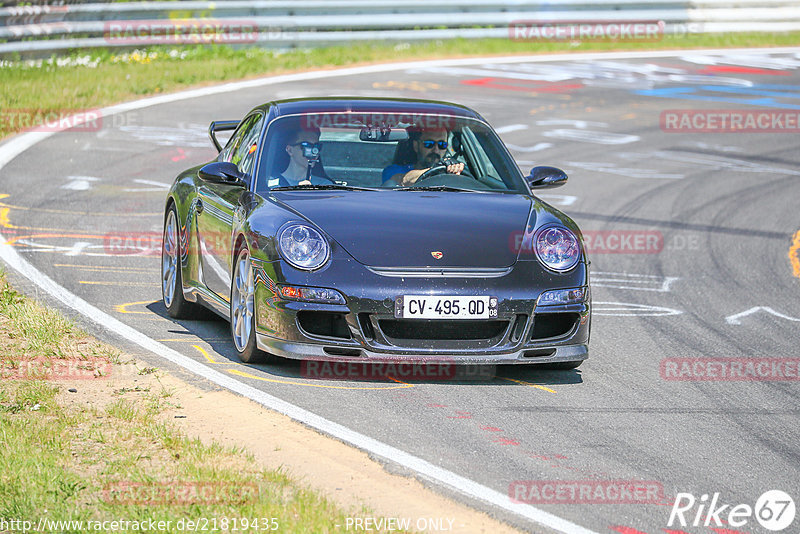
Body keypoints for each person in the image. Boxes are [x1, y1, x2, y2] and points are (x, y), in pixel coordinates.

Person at [382, 128, 464, 187]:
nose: (436, 150)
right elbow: (404, 180)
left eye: (442, 145)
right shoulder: (393, 170)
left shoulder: (451, 169)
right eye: (429, 144)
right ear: (416, 146)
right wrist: (439, 169)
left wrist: (456, 170)